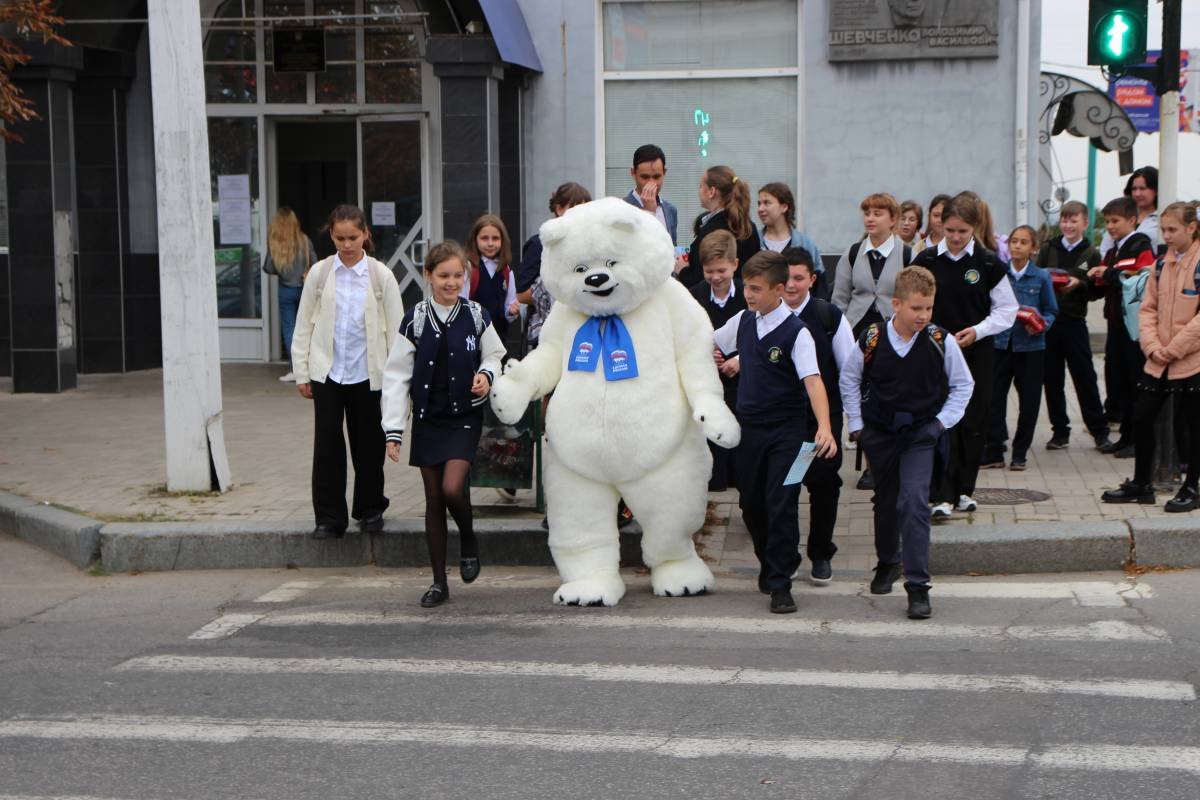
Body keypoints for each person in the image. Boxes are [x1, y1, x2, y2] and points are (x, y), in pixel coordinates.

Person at [841, 265, 975, 620]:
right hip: (880, 433)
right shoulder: (871, 338)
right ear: (896, 304)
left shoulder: (939, 341)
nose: (924, 315)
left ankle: (918, 586)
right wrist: (857, 426)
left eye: (929, 308)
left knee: (913, 502)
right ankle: (888, 562)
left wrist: (939, 424)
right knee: (885, 501)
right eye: (917, 308)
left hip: (920, 435)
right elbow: (850, 379)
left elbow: (964, 386)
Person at [382, 241, 506, 607]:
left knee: (453, 489)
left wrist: (486, 373)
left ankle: (468, 537)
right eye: (443, 276)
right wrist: (393, 430)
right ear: (428, 276)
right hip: (427, 419)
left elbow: (495, 353)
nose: (451, 283)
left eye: (457, 276)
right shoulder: (416, 319)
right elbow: (396, 376)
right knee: (434, 499)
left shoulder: (477, 315)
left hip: (464, 417)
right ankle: (439, 582)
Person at [712, 251, 837, 614]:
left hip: (793, 434)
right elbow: (709, 343)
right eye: (745, 287)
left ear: (779, 290)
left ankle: (781, 583)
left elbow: (814, 383)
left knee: (783, 502)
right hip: (750, 430)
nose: (747, 294)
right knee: (751, 503)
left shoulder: (799, 334)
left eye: (755, 288)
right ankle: (772, 562)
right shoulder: (743, 320)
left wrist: (825, 429)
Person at [291, 204, 404, 540]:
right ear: (331, 235)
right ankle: (329, 518)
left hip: (370, 373)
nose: (347, 244)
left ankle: (370, 511)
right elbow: (303, 326)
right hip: (327, 372)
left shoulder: (380, 275)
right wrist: (301, 372)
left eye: (353, 237)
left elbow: (397, 332)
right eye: (339, 238)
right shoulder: (320, 274)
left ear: (365, 234)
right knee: (326, 445)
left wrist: (398, 379)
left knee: (369, 443)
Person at [912, 194, 1017, 519]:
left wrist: (978, 330)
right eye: (951, 230)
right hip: (935, 353)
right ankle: (939, 493)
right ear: (941, 224)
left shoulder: (988, 264)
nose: (956, 237)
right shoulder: (926, 261)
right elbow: (911, 302)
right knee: (942, 421)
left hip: (976, 352)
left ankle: (964, 491)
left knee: (973, 421)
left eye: (963, 231)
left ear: (975, 228)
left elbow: (1007, 310)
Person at [1101, 202, 1200, 512]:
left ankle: (1192, 486)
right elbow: (1148, 308)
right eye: (1164, 230)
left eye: (1173, 230)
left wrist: (1174, 348)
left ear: (1191, 228)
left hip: (1190, 358)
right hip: (1158, 358)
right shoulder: (1161, 264)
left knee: (1191, 426)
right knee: (1143, 417)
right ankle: (1141, 483)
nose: (1166, 236)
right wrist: (1152, 344)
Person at [781, 246, 855, 584]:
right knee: (789, 486)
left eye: (799, 278)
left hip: (823, 420)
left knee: (824, 484)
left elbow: (850, 368)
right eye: (786, 278)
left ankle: (821, 551)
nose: (792, 285)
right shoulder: (769, 315)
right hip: (787, 420)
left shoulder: (829, 317)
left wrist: (855, 420)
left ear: (812, 279)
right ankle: (788, 553)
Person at [981, 225, 1058, 471]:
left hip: (1031, 347)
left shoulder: (1041, 276)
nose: (1017, 246)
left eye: (1024, 242)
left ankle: (1020, 452)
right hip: (1001, 344)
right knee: (994, 398)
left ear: (1034, 248)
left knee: (1030, 400)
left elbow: (1051, 310)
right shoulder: (999, 273)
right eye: (1013, 240)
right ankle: (994, 450)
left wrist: (1040, 325)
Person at [1087, 196, 1157, 456]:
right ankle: (1126, 436)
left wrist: (1109, 274)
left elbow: (1141, 278)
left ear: (1132, 220)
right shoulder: (1112, 250)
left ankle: (1136, 439)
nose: (1110, 226)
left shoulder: (1141, 246)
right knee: (1119, 382)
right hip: (1116, 323)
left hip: (1134, 327)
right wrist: (1095, 277)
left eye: (1115, 221)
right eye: (1107, 222)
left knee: (1134, 382)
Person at [1038, 200, 1110, 451]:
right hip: (1050, 322)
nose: (1068, 225)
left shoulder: (1091, 253)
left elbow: (1096, 292)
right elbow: (1036, 279)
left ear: (1085, 223)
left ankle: (1099, 430)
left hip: (1074, 322)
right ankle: (1060, 431)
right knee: (1052, 378)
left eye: (1073, 220)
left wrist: (1079, 284)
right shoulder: (1048, 248)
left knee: (1085, 376)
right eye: (1064, 220)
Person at [692, 230, 746, 492]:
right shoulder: (695, 296)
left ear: (735, 265)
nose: (715, 277)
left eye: (721, 271)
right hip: (710, 381)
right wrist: (706, 354)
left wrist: (739, 358)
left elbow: (762, 331)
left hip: (743, 380)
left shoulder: (748, 294)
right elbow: (688, 334)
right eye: (709, 271)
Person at [516, 182, 592, 352]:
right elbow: (521, 294)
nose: (580, 216)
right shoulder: (539, 243)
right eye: (575, 209)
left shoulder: (588, 244)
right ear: (559, 209)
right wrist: (555, 288)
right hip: (543, 331)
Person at [831, 192, 912, 339]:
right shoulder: (853, 252)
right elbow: (840, 298)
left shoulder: (907, 254)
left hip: (893, 331)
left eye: (877, 214)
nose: (870, 219)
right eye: (867, 214)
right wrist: (840, 331)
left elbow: (912, 298)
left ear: (893, 219)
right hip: (856, 329)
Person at [678, 165, 761, 288]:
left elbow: (701, 279)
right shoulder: (748, 225)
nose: (699, 190)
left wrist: (682, 271)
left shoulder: (710, 231)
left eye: (701, 186)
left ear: (711, 192)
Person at [262, 207, 315, 382]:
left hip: (286, 290)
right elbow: (315, 263)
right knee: (308, 327)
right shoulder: (304, 241)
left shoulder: (275, 244)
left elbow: (268, 268)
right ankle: (310, 367)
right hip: (304, 288)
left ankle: (296, 369)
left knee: (289, 328)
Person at [756, 182, 825, 298]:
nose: (760, 209)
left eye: (767, 203)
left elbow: (820, 286)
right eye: (759, 204)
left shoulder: (805, 244)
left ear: (784, 207)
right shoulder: (753, 241)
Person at [464, 213, 520, 343]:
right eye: (484, 238)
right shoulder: (468, 269)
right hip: (473, 339)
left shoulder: (507, 270)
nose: (490, 243)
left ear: (503, 241)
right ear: (475, 240)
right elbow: (461, 304)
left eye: (495, 238)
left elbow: (509, 306)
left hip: (499, 338)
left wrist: (512, 312)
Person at [623, 144, 679, 245]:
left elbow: (672, 248)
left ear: (664, 173)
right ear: (633, 173)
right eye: (645, 177)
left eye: (657, 177)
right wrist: (649, 213)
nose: (651, 183)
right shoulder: (622, 208)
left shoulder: (670, 210)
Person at [1100, 166, 1160, 259]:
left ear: (1156, 190)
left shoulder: (1163, 218)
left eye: (1142, 188)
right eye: (1134, 189)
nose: (1137, 193)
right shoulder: (1119, 214)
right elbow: (1105, 250)